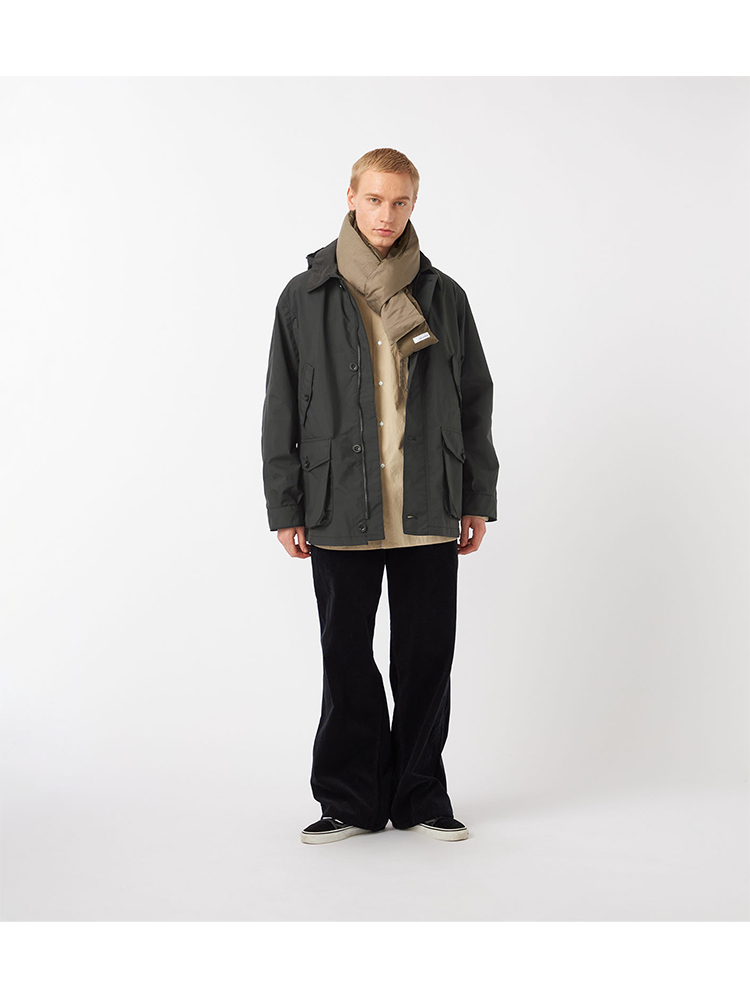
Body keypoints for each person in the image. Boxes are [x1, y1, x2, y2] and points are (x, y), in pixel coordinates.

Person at [261, 148, 499, 844]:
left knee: (426, 658)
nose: (386, 214)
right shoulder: (305, 297)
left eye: (400, 202)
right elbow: (281, 407)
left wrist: (476, 496)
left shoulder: (444, 296)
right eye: (374, 199)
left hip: (429, 501)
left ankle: (420, 795)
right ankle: (349, 799)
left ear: (414, 205)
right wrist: (285, 505)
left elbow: (475, 400)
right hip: (338, 503)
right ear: (351, 198)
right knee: (346, 659)